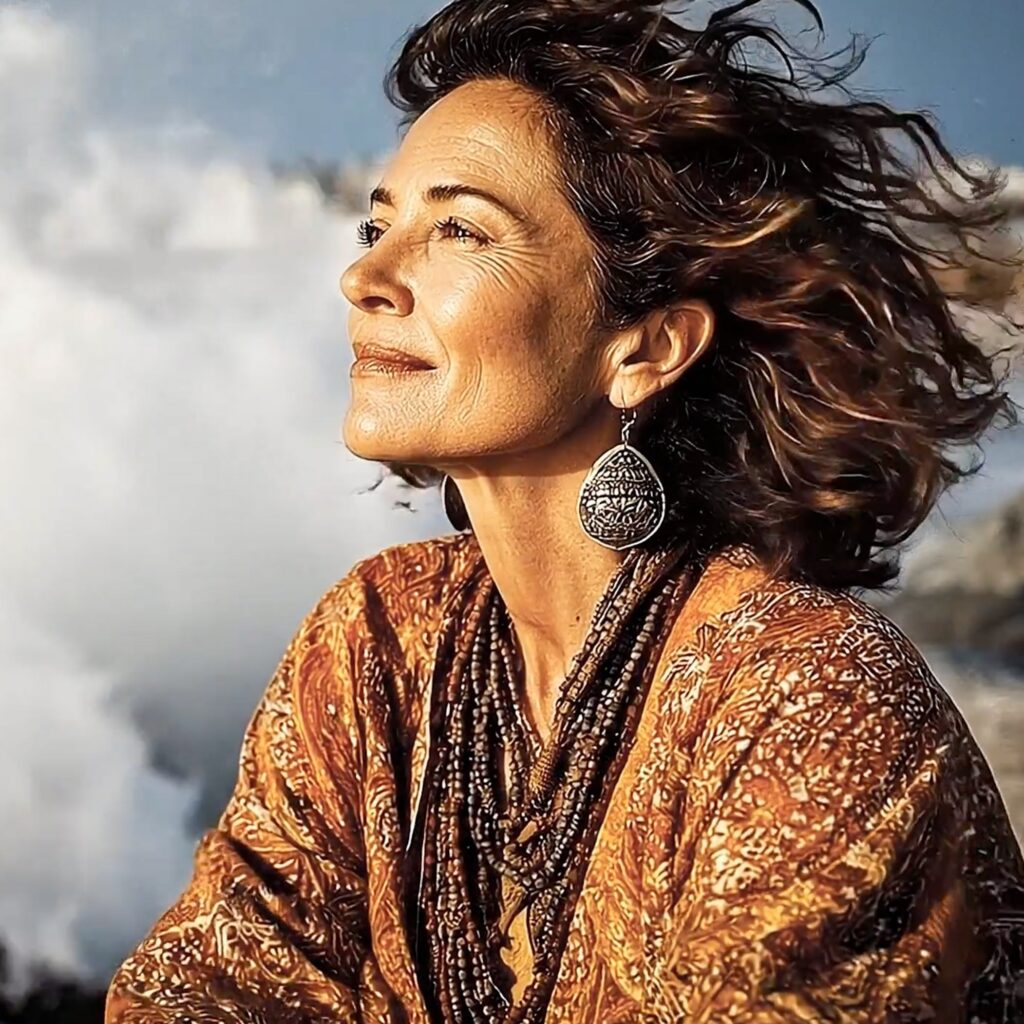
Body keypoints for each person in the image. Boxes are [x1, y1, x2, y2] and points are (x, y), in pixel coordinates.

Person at [105, 1, 1024, 1022]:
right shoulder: (377, 645)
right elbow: (203, 988)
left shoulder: (808, 699)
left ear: (645, 349)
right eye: (377, 225)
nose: (363, 275)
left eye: (459, 229)